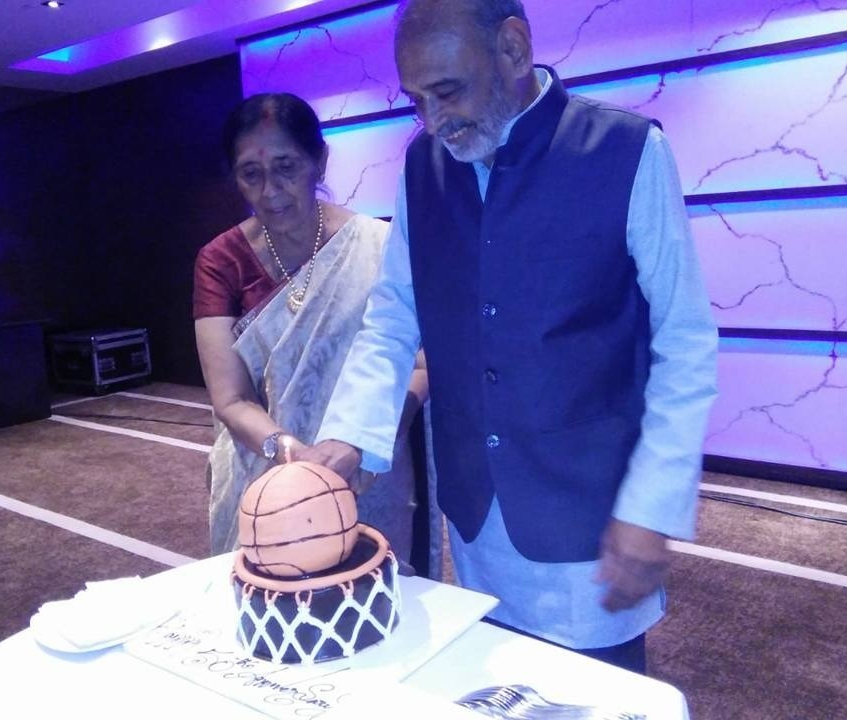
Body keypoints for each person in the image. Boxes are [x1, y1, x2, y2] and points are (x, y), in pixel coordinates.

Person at [295, 0, 718, 674]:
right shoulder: (421, 167)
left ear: (513, 50)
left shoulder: (628, 151)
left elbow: (685, 342)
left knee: (599, 698)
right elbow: (395, 312)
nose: (432, 120)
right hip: (477, 509)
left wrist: (653, 502)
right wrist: (349, 434)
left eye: (447, 91)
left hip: (593, 515)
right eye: (416, 100)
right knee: (494, 686)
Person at [193, 92, 428, 563]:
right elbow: (230, 398)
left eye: (286, 167)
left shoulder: (378, 246)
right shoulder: (221, 261)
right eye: (251, 174)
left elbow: (420, 365)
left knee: (372, 602)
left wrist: (360, 442)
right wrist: (292, 454)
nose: (271, 191)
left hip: (369, 467)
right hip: (265, 473)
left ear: (318, 162)